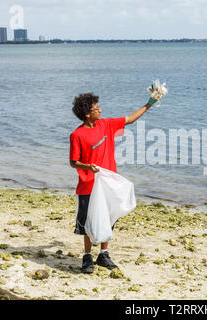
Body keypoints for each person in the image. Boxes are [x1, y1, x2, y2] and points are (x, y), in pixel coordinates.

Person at [69, 91, 158, 273]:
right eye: (96, 108)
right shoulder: (77, 135)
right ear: (87, 114)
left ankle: (103, 254)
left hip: (109, 183)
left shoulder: (106, 124)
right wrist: (88, 167)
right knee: (87, 222)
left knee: (108, 218)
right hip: (88, 185)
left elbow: (130, 119)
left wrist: (150, 103)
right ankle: (87, 257)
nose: (100, 110)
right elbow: (73, 161)